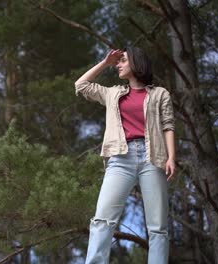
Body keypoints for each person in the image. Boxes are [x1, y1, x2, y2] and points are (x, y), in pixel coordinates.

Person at [75, 47, 176, 264]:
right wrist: (105, 62)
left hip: (153, 158)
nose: (118, 65)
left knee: (158, 227)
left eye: (122, 61)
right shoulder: (112, 93)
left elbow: (168, 125)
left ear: (136, 63)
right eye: (117, 62)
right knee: (102, 220)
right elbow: (80, 85)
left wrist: (171, 157)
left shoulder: (160, 94)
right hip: (120, 159)